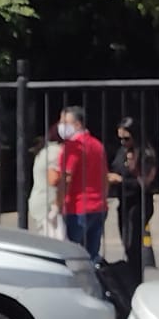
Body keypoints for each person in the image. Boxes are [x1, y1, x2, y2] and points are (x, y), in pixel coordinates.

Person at [50, 106, 109, 262]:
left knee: (73, 258)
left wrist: (57, 205)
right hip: (98, 207)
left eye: (64, 122)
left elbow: (65, 178)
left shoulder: (72, 147)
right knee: (91, 256)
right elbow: (104, 177)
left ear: (76, 124)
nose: (60, 126)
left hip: (77, 208)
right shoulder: (97, 145)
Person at [109, 117, 158, 279]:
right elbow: (114, 166)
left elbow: (144, 182)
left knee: (133, 244)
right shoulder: (122, 152)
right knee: (126, 243)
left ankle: (136, 279)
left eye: (126, 138)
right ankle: (131, 277)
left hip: (139, 202)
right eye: (120, 138)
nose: (123, 142)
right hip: (124, 201)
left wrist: (121, 180)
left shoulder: (145, 153)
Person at [27, 124, 66, 241]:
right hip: (48, 204)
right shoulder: (55, 152)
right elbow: (53, 179)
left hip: (41, 201)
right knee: (54, 241)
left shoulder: (46, 150)